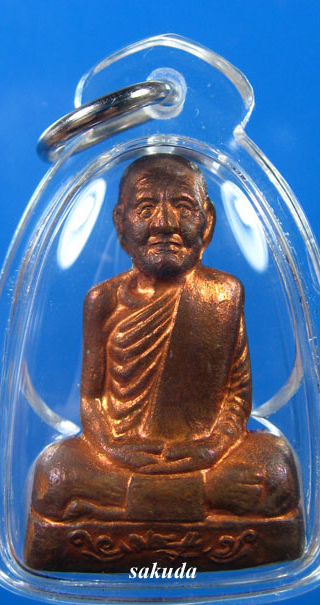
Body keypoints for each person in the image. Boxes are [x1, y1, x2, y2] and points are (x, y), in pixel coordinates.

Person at [25, 154, 303, 568]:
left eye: (183, 207)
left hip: (205, 455)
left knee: (276, 471)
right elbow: (92, 400)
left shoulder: (224, 293)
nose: (164, 223)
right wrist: (115, 450)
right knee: (55, 475)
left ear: (207, 221)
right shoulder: (103, 301)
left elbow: (236, 395)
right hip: (122, 456)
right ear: (120, 223)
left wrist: (213, 447)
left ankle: (142, 503)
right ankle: (198, 499)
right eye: (145, 209)